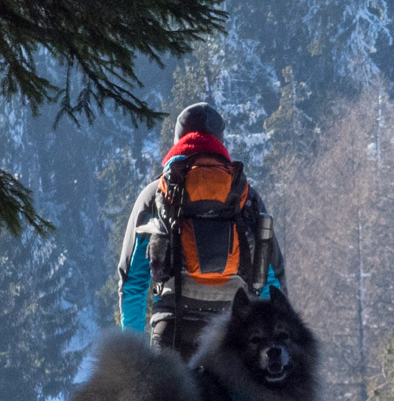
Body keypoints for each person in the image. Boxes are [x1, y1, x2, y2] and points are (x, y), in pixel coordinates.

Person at [117, 102, 285, 356]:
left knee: (170, 397)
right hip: (231, 334)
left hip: (173, 328)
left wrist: (133, 356)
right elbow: (272, 277)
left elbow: (133, 282)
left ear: (177, 141)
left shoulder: (156, 194)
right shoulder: (244, 195)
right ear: (220, 142)